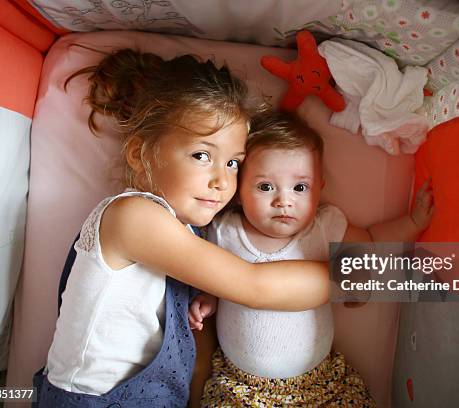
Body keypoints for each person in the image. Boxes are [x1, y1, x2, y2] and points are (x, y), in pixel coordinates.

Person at [33, 49, 332, 408]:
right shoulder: (133, 218)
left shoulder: (189, 236)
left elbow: (194, 347)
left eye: (234, 162)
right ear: (139, 153)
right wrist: (370, 275)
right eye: (202, 156)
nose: (222, 180)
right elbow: (254, 285)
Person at [191, 111, 434, 407]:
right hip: (240, 386)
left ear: (319, 189)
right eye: (265, 187)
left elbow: (369, 242)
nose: (284, 200)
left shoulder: (323, 226)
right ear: (239, 191)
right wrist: (209, 300)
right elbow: (217, 280)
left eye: (300, 187)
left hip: (318, 382)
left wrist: (411, 223)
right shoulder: (224, 231)